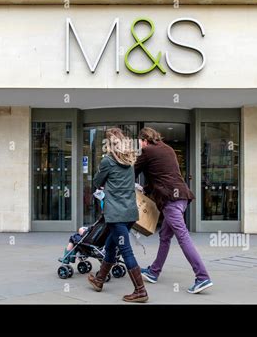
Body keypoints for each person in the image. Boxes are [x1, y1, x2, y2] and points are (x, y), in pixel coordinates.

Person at [135, 127, 213, 294]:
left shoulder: (147, 151)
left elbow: (131, 172)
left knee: (183, 236)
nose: (140, 146)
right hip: (182, 196)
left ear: (144, 140)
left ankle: (202, 277)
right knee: (165, 236)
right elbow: (164, 175)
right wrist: (145, 188)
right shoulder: (168, 149)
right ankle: (154, 271)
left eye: (139, 142)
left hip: (171, 200)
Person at [88, 128, 148, 303]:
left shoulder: (107, 161)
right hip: (129, 213)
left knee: (126, 251)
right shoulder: (130, 160)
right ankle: (99, 280)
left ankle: (140, 290)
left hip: (116, 214)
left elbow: (97, 182)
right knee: (111, 244)